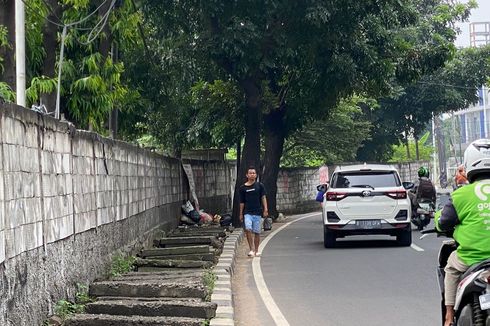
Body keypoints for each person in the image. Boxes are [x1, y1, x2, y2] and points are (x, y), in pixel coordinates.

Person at [435, 138, 490, 326]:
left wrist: (437, 219)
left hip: (471, 258)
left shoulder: (461, 194)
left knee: (450, 267)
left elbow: (443, 222)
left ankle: (449, 316)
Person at [239, 167, 268, 257]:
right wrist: (240, 213)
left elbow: (263, 197)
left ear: (256, 175)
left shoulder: (260, 186)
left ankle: (256, 250)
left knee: (257, 232)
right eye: (250, 173)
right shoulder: (243, 188)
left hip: (257, 212)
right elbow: (242, 202)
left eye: (254, 173)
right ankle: (251, 249)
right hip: (247, 212)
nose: (252, 174)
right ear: (247, 175)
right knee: (248, 229)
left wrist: (265, 209)